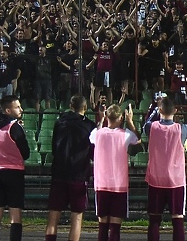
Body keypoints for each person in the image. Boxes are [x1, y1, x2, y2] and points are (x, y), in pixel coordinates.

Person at [143, 84, 187, 241]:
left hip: (156, 179)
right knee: (177, 219)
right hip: (175, 181)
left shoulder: (152, 127)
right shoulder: (182, 128)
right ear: (175, 111)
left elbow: (145, 122)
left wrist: (156, 105)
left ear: (161, 111)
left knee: (154, 220)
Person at [45, 95, 99, 241]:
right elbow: (94, 153)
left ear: (70, 105)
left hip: (59, 171)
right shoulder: (89, 126)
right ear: (85, 108)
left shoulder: (60, 122)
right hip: (79, 173)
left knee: (54, 214)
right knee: (76, 215)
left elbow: (54, 148)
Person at [90, 103, 140, 241]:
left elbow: (93, 135)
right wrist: (130, 122)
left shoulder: (97, 134)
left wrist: (101, 119)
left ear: (107, 116)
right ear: (121, 118)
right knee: (115, 228)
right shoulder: (125, 135)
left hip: (101, 184)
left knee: (102, 226)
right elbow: (138, 140)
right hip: (119, 185)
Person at [0, 95, 31, 241]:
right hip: (14, 172)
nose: (21, 109)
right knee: (15, 215)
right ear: (7, 110)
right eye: (17, 107)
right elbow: (26, 153)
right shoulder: (14, 127)